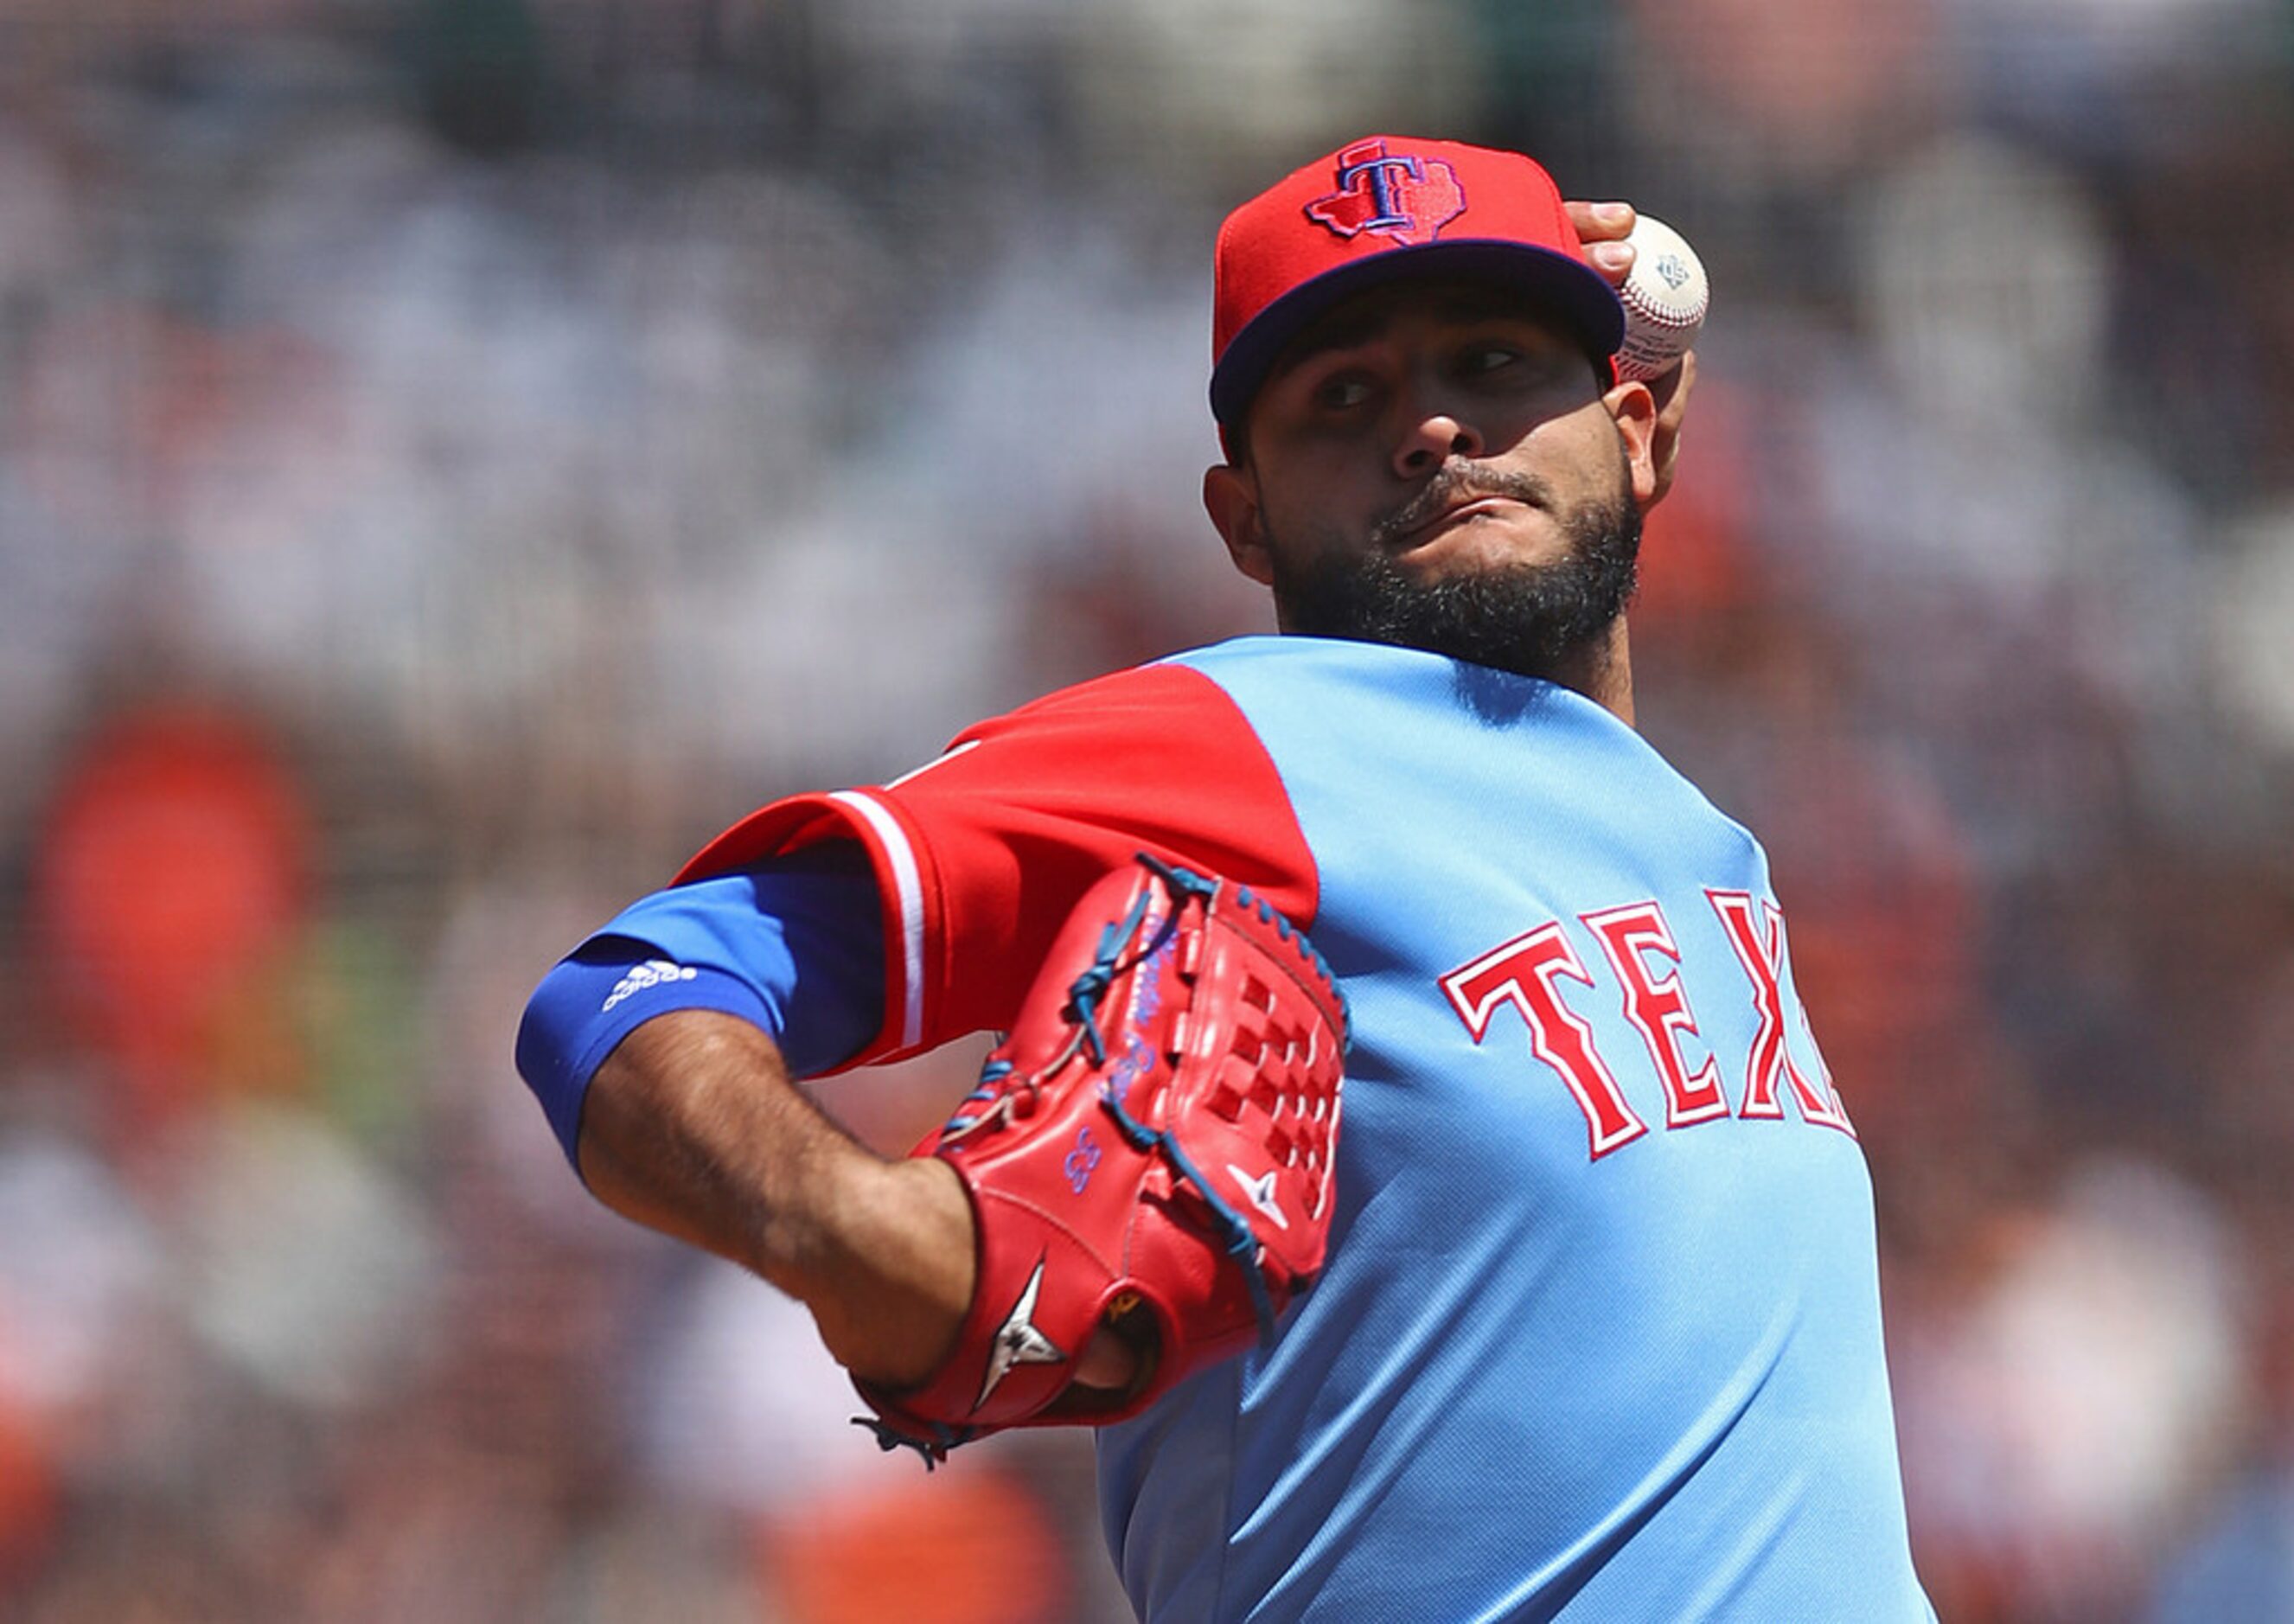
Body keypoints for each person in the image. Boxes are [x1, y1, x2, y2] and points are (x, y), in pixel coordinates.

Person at [517, 134, 1937, 1620]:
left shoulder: (1708, 842)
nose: (1434, 428)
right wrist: (846, 1225)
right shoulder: (1249, 740)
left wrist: (1638, 331)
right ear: (1243, 518)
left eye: (1496, 359)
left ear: (1639, 429)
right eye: (1341, 398)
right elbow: (621, 994)